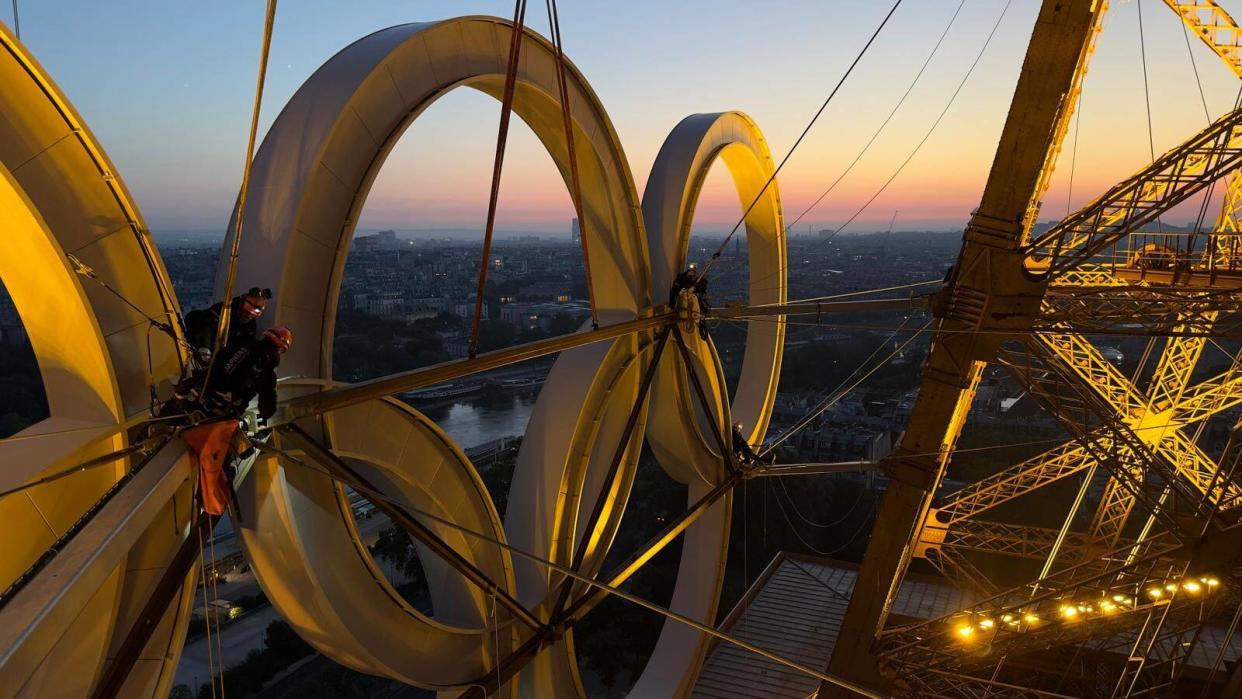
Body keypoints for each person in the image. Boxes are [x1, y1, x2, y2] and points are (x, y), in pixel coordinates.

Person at [200, 325, 292, 424]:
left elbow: (220, 359)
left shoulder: (245, 345)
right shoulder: (263, 367)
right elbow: (267, 408)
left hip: (210, 397)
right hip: (218, 408)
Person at [184, 287, 272, 360]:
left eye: (251, 316)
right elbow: (206, 325)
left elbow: (246, 345)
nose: (248, 317)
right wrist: (204, 348)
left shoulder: (250, 326)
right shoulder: (224, 309)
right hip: (197, 345)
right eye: (246, 313)